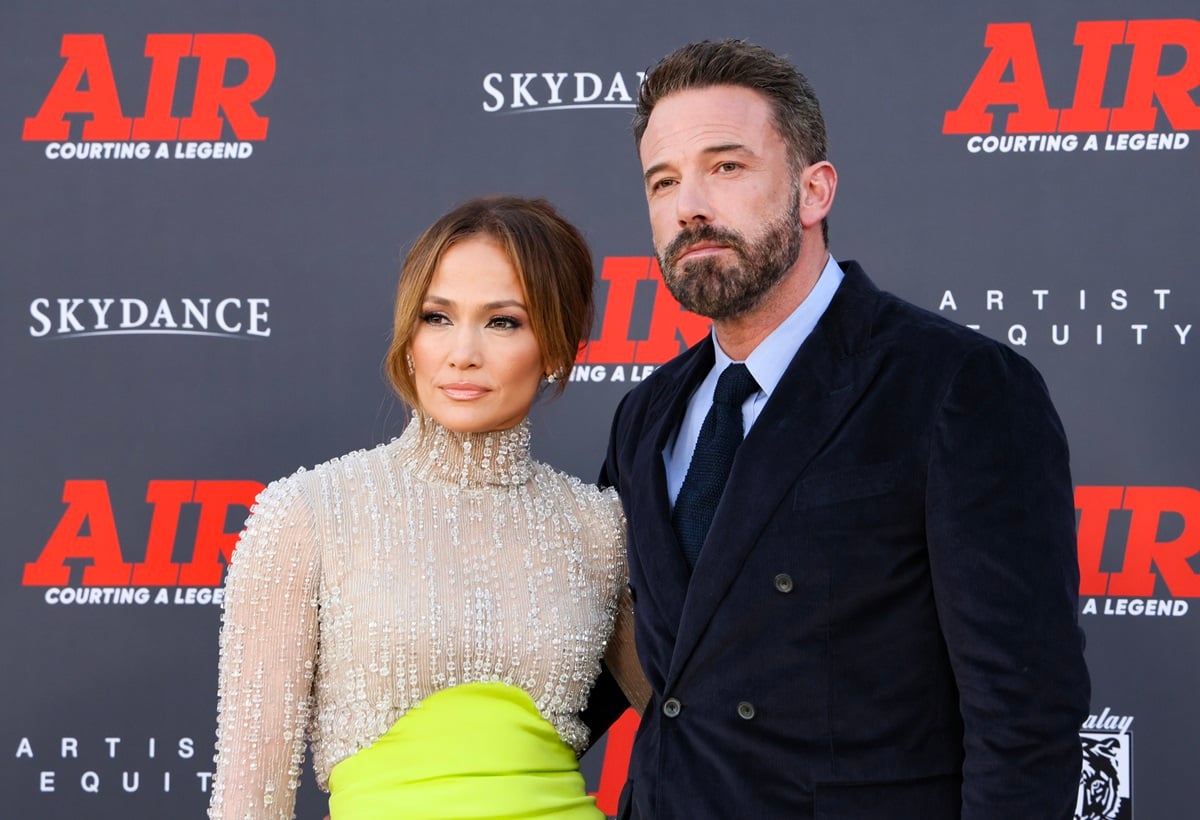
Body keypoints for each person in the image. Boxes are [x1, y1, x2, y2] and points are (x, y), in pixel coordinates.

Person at [597, 40, 1090, 818]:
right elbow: (618, 662)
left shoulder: (956, 389)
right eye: (664, 181)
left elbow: (1024, 718)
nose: (689, 204)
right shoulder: (646, 415)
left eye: (727, 167)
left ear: (814, 190)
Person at [209, 195, 648, 819]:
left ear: (555, 347)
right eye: (438, 317)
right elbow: (249, 801)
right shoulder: (307, 515)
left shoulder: (597, 529)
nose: (461, 352)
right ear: (409, 337)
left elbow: (698, 723)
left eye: (503, 322)